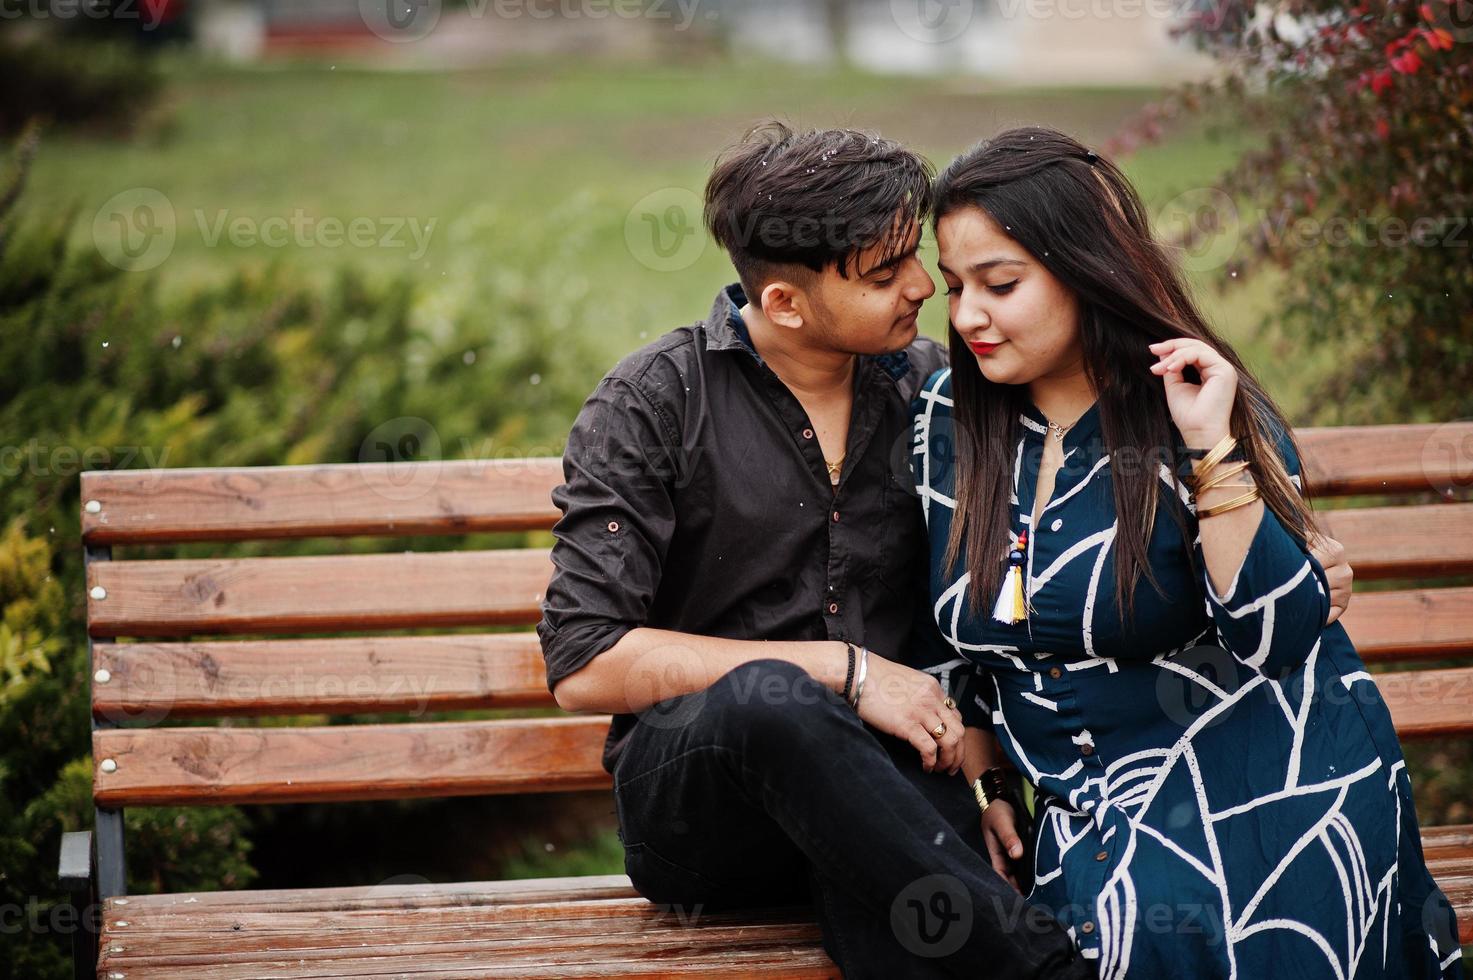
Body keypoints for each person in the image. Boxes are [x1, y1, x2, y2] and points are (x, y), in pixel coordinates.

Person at [537, 121, 1095, 978]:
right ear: (785, 304)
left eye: (913, 258)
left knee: (906, 913)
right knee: (773, 696)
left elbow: (996, 570)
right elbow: (585, 661)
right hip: (703, 817)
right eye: (884, 275)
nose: (921, 287)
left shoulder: (931, 394)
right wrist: (840, 668)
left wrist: (981, 780)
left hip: (883, 784)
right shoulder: (655, 402)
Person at [911, 125, 1464, 978]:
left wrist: (1211, 452)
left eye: (1000, 283)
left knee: (1164, 932)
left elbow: (1275, 640)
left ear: (1085, 267)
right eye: (954, 286)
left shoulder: (1191, 402)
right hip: (1082, 819)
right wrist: (984, 782)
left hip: (1260, 792)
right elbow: (955, 630)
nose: (968, 315)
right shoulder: (950, 417)